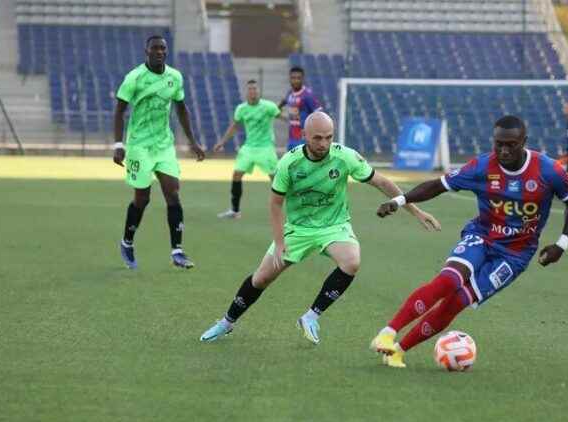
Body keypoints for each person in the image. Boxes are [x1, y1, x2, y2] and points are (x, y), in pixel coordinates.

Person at [200, 112, 441, 345]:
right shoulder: (289, 163)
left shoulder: (345, 156)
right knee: (261, 278)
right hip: (297, 229)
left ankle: (311, 317)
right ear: (304, 135)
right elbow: (275, 203)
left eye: (329, 137)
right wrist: (279, 241)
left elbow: (383, 183)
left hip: (334, 226)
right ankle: (226, 322)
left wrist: (416, 210)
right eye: (317, 137)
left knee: (351, 261)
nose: (324, 143)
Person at [370, 115, 568, 368]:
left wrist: (562, 243)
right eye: (498, 144)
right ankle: (388, 332)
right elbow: (437, 186)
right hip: (482, 236)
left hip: (515, 255)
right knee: (449, 280)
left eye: (511, 145)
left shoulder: (548, 170)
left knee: (457, 301)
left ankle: (397, 351)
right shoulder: (482, 166)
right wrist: (398, 201)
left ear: (524, 142)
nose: (503, 150)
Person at [113, 35, 205, 270]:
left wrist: (192, 142)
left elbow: (181, 108)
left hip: (164, 145)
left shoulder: (174, 77)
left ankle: (177, 251)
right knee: (142, 198)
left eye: (163, 48)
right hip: (139, 146)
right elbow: (120, 111)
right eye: (155, 48)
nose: (160, 52)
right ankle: (127, 241)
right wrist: (118, 144)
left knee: (173, 193)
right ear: (147, 51)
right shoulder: (134, 78)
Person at [215, 80, 283, 219]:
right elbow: (235, 126)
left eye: (255, 89)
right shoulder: (241, 109)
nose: (253, 91)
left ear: (259, 91)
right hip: (249, 148)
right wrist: (222, 142)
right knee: (236, 175)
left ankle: (289, 210)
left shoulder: (269, 106)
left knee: (275, 179)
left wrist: (296, 121)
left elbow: (281, 116)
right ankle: (235, 211)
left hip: (266, 148)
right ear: (247, 92)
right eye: (250, 89)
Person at [279, 66, 322, 151]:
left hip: (304, 139)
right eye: (293, 78)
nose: (295, 81)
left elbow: (319, 114)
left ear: (303, 79)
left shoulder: (308, 95)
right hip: (291, 138)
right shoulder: (290, 93)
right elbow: (280, 108)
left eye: (298, 78)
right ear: (289, 79)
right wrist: (284, 114)